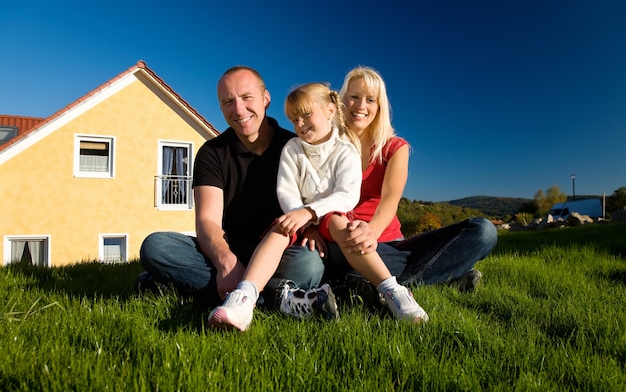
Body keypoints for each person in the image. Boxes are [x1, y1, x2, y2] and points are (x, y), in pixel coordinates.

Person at [207, 83, 428, 331]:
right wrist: (300, 217)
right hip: (296, 214)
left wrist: (311, 213)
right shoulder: (292, 148)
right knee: (280, 229)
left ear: (330, 111)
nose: (300, 124)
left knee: (342, 225)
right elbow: (286, 190)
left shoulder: (346, 150)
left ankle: (393, 291)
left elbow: (347, 194)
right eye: (294, 119)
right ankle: (244, 299)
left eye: (306, 115)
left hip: (330, 215)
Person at [138, 66, 332, 319]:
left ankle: (193, 287)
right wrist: (226, 263)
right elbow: (207, 221)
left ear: (266, 99)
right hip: (226, 250)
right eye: (228, 101)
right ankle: (277, 297)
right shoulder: (212, 153)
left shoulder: (294, 146)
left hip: (280, 253)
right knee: (156, 246)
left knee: (309, 264)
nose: (239, 110)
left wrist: (313, 226)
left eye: (246, 97)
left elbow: (316, 199)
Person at [319, 66, 498, 304]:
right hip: (347, 241)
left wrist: (372, 231)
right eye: (354, 97)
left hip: (391, 243)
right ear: (342, 101)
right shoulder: (326, 145)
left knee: (483, 232)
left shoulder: (395, 147)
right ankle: (441, 276)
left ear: (379, 107)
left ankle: (375, 284)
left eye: (370, 100)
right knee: (344, 252)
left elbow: (391, 198)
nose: (361, 106)